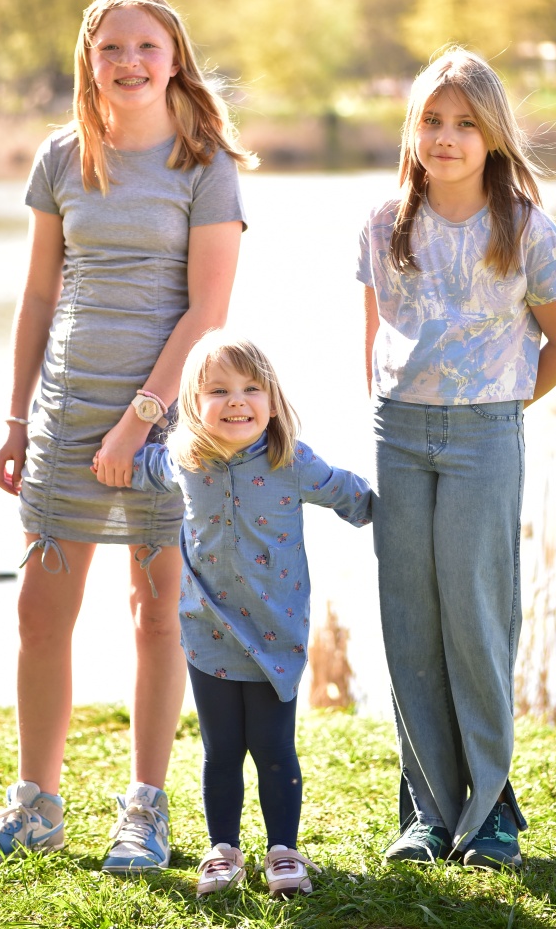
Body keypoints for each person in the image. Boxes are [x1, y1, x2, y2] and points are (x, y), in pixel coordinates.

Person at [0, 0, 254, 870]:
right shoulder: (60, 155)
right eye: (110, 47)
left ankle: (145, 810)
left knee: (156, 614)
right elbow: (38, 296)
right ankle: (35, 807)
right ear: (88, 58)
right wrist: (16, 418)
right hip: (65, 416)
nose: (128, 62)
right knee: (39, 615)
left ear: (174, 58)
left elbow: (207, 312)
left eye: (145, 46)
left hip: (165, 427)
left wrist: (140, 423)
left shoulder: (205, 164)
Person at [358, 47, 556, 871]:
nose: (445, 137)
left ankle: (489, 812)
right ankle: (426, 810)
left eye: (463, 123)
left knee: (475, 619)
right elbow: (374, 335)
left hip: (483, 436)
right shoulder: (383, 224)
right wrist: (388, 409)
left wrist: (499, 408)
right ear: (412, 128)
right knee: (409, 619)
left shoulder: (523, 228)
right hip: (397, 433)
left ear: (491, 134)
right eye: (431, 120)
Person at [128, 331, 373, 897]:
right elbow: (142, 467)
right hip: (207, 630)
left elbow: (348, 493)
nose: (236, 401)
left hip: (273, 633)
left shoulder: (291, 461)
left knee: (272, 748)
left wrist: (402, 510)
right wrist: (109, 455)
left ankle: (283, 851)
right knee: (221, 751)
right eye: (218, 390)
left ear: (273, 400)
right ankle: (223, 852)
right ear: (193, 403)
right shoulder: (185, 460)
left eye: (251, 388)